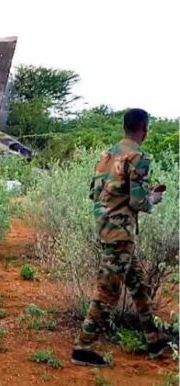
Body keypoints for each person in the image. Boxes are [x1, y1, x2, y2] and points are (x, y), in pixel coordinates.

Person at [71, 108, 169, 367]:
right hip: (121, 233)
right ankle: (83, 347)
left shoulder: (107, 155)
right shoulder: (139, 157)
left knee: (138, 285)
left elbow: (94, 194)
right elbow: (138, 202)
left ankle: (155, 340)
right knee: (108, 291)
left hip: (105, 228)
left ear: (124, 127)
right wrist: (152, 199)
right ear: (144, 129)